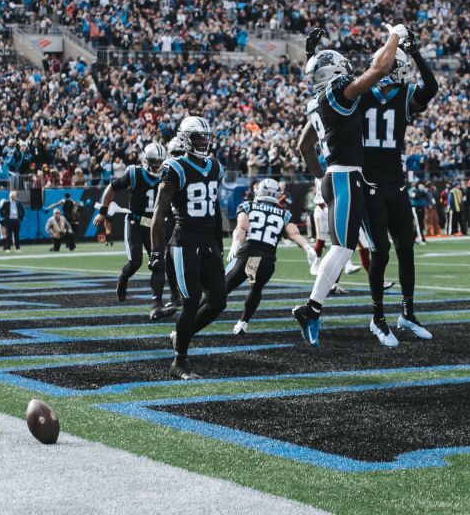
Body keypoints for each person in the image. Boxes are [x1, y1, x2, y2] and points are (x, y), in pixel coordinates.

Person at [291, 23, 401, 348]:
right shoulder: (338, 92)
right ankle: (311, 309)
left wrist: (318, 179)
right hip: (345, 176)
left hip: (337, 176)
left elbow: (303, 146)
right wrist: (396, 33)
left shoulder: (316, 101)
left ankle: (373, 314)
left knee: (370, 245)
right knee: (341, 248)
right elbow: (380, 68)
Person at [356, 41, 439, 345]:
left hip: (397, 183)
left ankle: (407, 312)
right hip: (369, 184)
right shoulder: (360, 92)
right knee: (380, 251)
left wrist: (416, 51)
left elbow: (431, 86)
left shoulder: (405, 95)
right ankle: (377, 317)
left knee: (406, 248)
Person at [149, 117, 228, 380]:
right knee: (192, 301)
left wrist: (220, 242)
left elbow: (216, 209)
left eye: (206, 137)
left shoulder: (215, 166)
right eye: (198, 137)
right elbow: (159, 214)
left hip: (208, 241)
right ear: (185, 139)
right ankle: (179, 361)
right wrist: (156, 252)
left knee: (218, 300)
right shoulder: (174, 167)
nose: (204, 142)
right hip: (184, 241)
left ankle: (180, 335)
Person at [94, 141, 182, 320]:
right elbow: (112, 187)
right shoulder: (134, 173)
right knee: (135, 262)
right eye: (154, 163)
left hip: (154, 225)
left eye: (160, 162)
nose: (157, 167)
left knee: (159, 262)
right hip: (135, 222)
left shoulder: (167, 174)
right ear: (146, 161)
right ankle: (123, 278)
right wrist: (103, 212)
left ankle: (156, 304)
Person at [225, 179, 318, 334]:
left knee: (221, 290)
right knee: (256, 289)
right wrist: (308, 248)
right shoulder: (283, 213)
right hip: (268, 261)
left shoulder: (248, 205)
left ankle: (191, 321)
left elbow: (242, 227)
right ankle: (243, 322)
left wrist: (236, 243)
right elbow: (294, 234)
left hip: (251, 256)